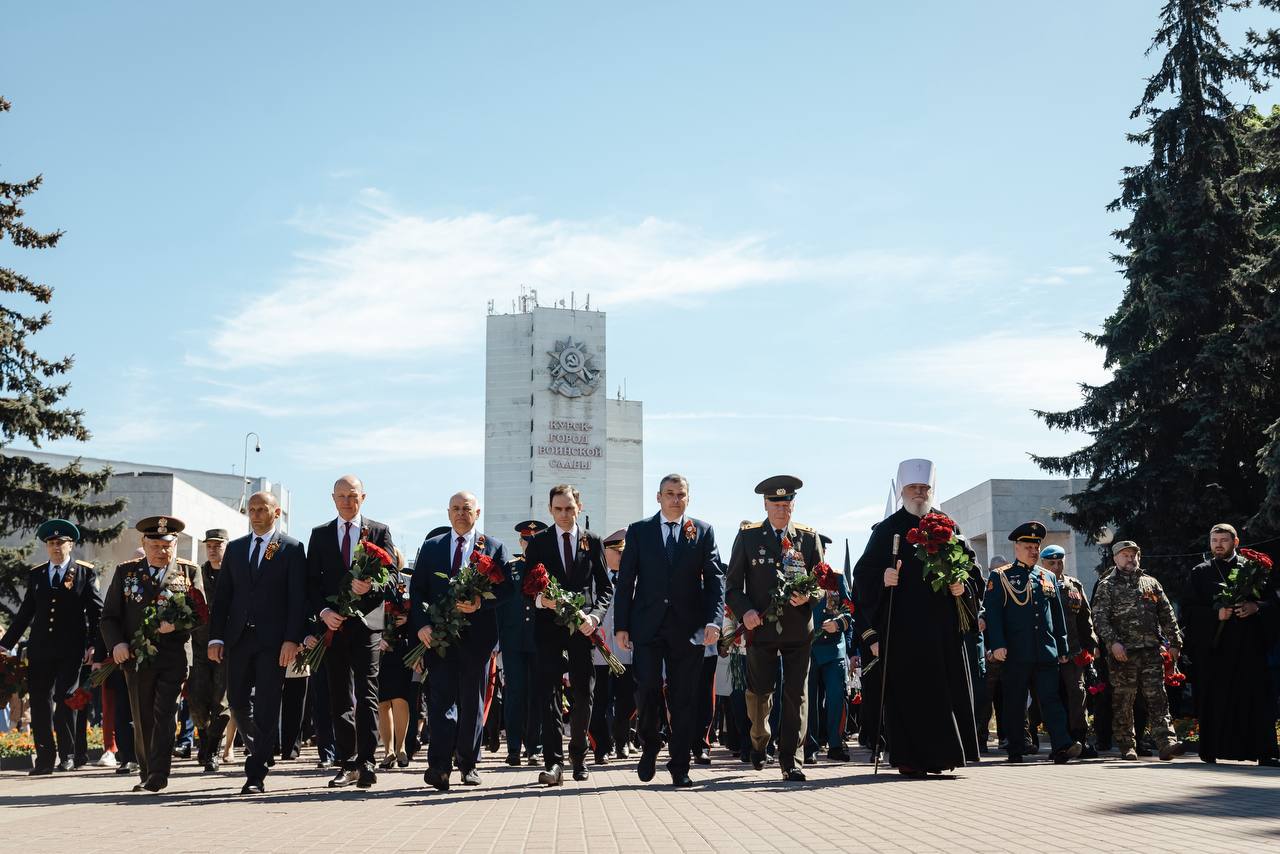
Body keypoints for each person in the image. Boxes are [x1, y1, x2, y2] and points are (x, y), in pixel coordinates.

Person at [852, 459, 980, 776]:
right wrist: (883, 577)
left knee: (944, 691)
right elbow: (862, 576)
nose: (920, 493)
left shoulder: (949, 526)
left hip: (942, 628)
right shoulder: (887, 530)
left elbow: (973, 570)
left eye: (925, 488)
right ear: (903, 491)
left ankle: (945, 755)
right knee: (908, 695)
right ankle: (908, 758)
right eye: (914, 488)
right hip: (903, 629)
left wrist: (960, 585)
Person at [615, 474, 724, 787]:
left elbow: (715, 580)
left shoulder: (702, 531)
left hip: (688, 628)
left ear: (688, 498)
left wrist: (713, 621)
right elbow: (625, 582)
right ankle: (650, 743)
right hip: (647, 625)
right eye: (670, 494)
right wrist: (622, 625)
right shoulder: (639, 531)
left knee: (684, 698)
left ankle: (680, 765)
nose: (676, 499)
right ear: (658, 497)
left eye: (681, 494)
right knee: (646, 688)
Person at [208, 492, 307, 794]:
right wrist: (216, 637)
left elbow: (297, 600)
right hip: (238, 640)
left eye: (262, 509)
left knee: (266, 705)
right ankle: (263, 747)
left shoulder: (291, 548)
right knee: (236, 704)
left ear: (276, 512)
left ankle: (256, 774)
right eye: (251, 510)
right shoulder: (236, 550)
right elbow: (223, 597)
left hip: (272, 642)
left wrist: (292, 639)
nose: (255, 515)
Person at [726, 475, 822, 782]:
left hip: (798, 630)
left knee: (796, 694)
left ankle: (791, 759)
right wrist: (746, 612)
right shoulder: (749, 536)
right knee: (760, 693)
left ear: (793, 504)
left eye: (787, 504)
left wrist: (810, 595)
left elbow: (822, 582)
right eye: (776, 504)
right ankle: (759, 739)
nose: (782, 510)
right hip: (762, 628)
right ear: (765, 505)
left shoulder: (808, 538)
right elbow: (732, 587)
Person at [413, 491, 510, 792]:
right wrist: (422, 626)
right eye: (455, 508)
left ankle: (468, 764)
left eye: (466, 508)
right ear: (447, 512)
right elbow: (417, 592)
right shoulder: (431, 548)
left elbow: (507, 591)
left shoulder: (493, 548)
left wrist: (481, 602)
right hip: (440, 638)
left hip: (478, 640)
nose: (460, 513)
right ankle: (439, 766)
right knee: (441, 702)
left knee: (472, 701)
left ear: (477, 513)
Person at [99, 516, 204, 793]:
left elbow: (202, 613)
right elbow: (109, 617)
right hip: (137, 656)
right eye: (155, 544)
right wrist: (116, 644)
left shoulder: (188, 572)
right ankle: (146, 772)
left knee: (165, 711)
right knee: (142, 714)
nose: (161, 551)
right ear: (143, 544)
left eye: (166, 545)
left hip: (175, 656)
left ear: (175, 543)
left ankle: (159, 773)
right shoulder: (127, 573)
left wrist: (178, 624)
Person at [307, 474, 397, 789]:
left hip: (368, 626)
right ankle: (347, 763)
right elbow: (311, 584)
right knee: (339, 698)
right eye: (342, 496)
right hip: (334, 628)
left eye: (353, 495)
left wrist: (372, 584)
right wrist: (324, 612)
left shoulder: (379, 531)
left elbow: (394, 580)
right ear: (333, 499)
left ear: (364, 496)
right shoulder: (319, 535)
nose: (348, 501)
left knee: (368, 694)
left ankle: (368, 762)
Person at [524, 484, 612, 786]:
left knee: (583, 693)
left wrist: (595, 617)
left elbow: (606, 588)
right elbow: (526, 587)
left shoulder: (593, 541)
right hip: (548, 629)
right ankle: (553, 761)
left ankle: (579, 755)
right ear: (550, 509)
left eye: (569, 508)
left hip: (582, 628)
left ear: (579, 507)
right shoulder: (538, 543)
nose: (564, 514)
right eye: (558, 509)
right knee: (548, 693)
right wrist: (540, 600)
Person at [0, 519, 102, 775]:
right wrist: (4, 645)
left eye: (61, 543)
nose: (56, 548)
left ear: (71, 545)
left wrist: (94, 646)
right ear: (47, 547)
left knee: (66, 699)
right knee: (41, 702)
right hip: (41, 649)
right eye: (51, 543)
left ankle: (68, 754)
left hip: (71, 649)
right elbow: (25, 613)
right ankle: (45, 758)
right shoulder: (37, 574)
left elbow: (96, 613)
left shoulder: (84, 572)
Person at [1180, 523, 1280, 766]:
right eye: (1214, 540)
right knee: (1215, 700)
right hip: (1216, 652)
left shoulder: (1254, 570)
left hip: (1249, 649)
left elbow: (1274, 604)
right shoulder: (1200, 572)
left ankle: (1264, 753)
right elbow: (1189, 611)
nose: (1218, 545)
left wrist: (1255, 607)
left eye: (1224, 540)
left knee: (1255, 699)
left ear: (1236, 542)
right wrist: (1216, 615)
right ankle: (1212, 750)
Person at [982, 523, 1080, 764]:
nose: (1034, 551)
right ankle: (1015, 747)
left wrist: (1062, 646)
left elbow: (1056, 614)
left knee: (1051, 700)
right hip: (1015, 651)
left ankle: (1061, 746)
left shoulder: (1046, 576)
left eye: (1036, 547)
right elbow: (993, 614)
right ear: (1016, 547)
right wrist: (998, 645)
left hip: (1045, 649)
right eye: (1028, 547)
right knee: (1015, 701)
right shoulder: (1001, 576)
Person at [1092, 540, 1185, 761]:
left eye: (1133, 554)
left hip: (1151, 651)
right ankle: (1126, 744)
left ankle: (1166, 743)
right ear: (1115, 558)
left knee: (1158, 698)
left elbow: (1167, 614)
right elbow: (1099, 619)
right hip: (1123, 654)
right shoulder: (1107, 586)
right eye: (1125, 555)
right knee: (1124, 700)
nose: (1130, 558)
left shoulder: (1150, 583)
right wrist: (1113, 643)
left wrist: (1175, 642)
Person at [1040, 543, 1099, 758]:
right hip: (1048, 653)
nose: (1056, 566)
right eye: (1051, 563)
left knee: (1078, 694)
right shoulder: (1037, 584)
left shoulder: (1074, 585)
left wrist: (1090, 646)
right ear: (1042, 563)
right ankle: (1058, 742)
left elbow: (1085, 618)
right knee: (1051, 697)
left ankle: (1079, 740)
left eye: (1059, 562)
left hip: (1074, 651)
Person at [497, 520, 544, 767]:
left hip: (539, 640)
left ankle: (534, 747)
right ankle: (514, 748)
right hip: (513, 640)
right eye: (526, 540)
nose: (529, 545)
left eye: (534, 540)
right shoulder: (511, 568)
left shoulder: (548, 569)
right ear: (520, 542)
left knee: (537, 695)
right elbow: (499, 607)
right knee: (515, 694)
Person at [589, 529, 635, 766]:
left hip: (625, 650)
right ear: (605, 552)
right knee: (600, 700)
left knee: (626, 699)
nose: (621, 556)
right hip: (599, 650)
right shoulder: (594, 577)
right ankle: (601, 747)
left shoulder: (633, 578)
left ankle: (622, 740)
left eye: (623, 552)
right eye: (616, 552)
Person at [806, 537, 854, 764]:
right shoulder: (801, 580)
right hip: (808, 649)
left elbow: (849, 609)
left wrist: (839, 623)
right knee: (810, 701)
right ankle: (810, 746)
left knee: (836, 697)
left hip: (834, 648)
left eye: (821, 550)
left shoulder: (836, 577)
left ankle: (835, 743)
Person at [188, 528, 230, 773]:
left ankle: (213, 749)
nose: (213, 549)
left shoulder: (234, 573)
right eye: (209, 545)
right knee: (197, 698)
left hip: (226, 645)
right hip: (200, 644)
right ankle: (204, 743)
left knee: (222, 701)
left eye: (218, 545)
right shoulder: (198, 573)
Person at [377, 552, 414, 770]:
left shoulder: (408, 582)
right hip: (378, 647)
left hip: (401, 646)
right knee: (382, 702)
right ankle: (387, 751)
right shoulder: (375, 581)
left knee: (400, 699)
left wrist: (408, 619)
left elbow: (419, 609)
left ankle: (401, 748)